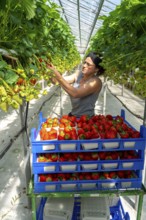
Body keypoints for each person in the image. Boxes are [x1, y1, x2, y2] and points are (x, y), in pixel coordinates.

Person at [47, 52, 104, 117]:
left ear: (96, 69)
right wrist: (47, 71)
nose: (84, 66)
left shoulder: (95, 82)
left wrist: (55, 72)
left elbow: (75, 93)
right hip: (73, 115)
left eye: (88, 64)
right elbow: (56, 81)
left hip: (87, 120)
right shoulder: (78, 75)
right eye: (84, 62)